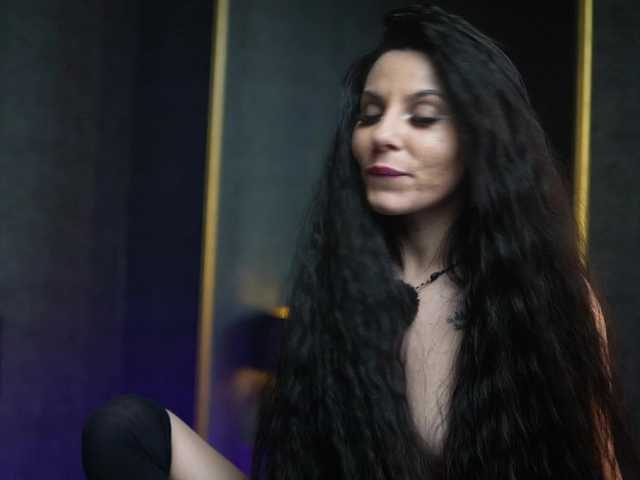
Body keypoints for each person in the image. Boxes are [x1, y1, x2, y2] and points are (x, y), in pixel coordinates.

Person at [82, 3, 634, 479]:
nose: (383, 135)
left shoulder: (546, 301)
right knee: (126, 429)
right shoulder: (339, 288)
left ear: (480, 141)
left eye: (423, 117)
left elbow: (599, 465)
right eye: (370, 114)